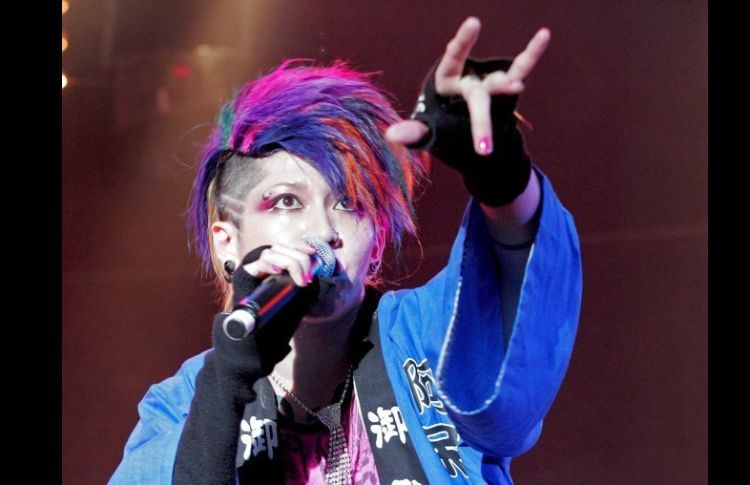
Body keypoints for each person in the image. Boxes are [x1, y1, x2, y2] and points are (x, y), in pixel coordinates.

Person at [110, 16, 582, 484]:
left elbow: (512, 319)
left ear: (378, 242)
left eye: (349, 204)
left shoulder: (424, 336)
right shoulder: (181, 403)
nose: (322, 231)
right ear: (227, 241)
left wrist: (500, 172)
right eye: (286, 202)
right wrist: (231, 377)